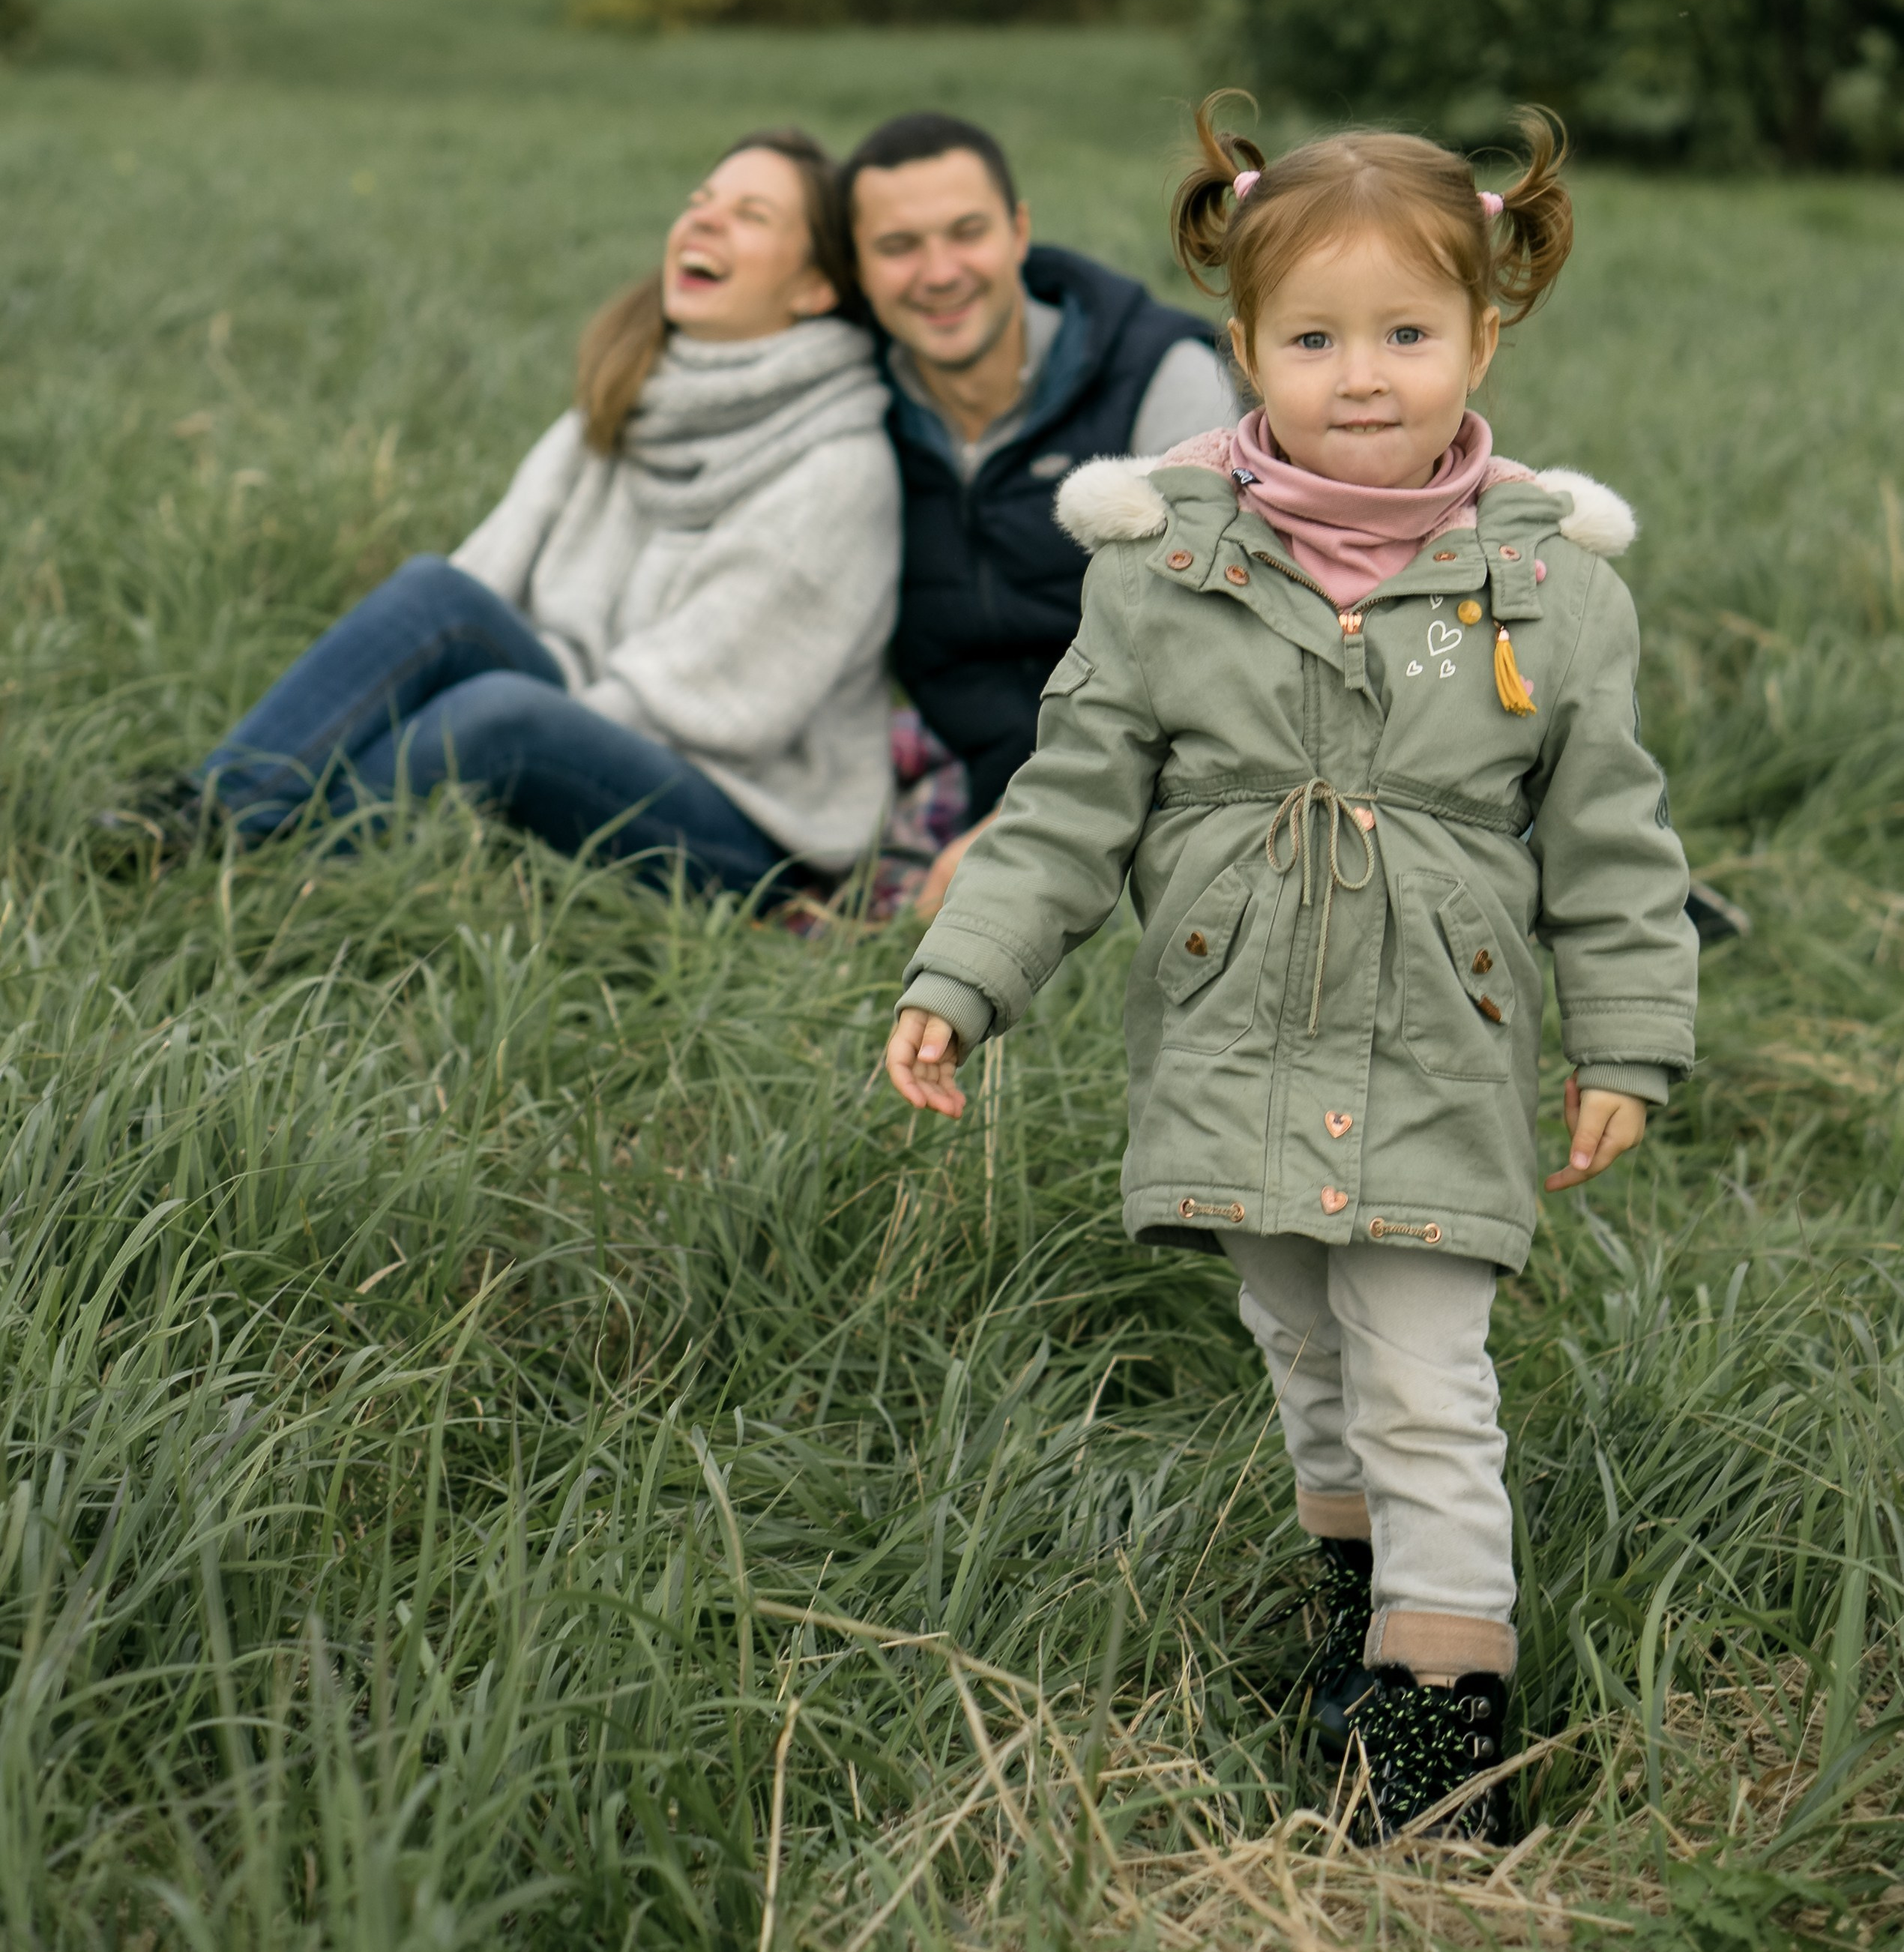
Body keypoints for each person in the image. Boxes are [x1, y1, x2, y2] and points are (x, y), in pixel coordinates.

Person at [885, 100, 1699, 1840]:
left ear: (1482, 334)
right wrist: (962, 977)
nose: (1357, 375)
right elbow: (1063, 812)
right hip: (1228, 1040)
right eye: (1310, 337)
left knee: (1420, 1388)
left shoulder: (1547, 590)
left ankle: (1433, 1745)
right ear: (1237, 347)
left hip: (1434, 1051)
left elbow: (1612, 842)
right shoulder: (1163, 571)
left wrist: (1622, 1039)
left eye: (1404, 333)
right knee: (1304, 1355)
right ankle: (1352, 1621)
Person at [148, 131, 900, 898]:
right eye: (699, 203)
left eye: (751, 215)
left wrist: (518, 710)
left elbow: (714, 705)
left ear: (815, 288)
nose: (703, 223)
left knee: (498, 715)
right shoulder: (631, 396)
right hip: (589, 715)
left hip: (747, 826)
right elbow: (477, 589)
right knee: (430, 593)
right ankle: (198, 821)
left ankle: (269, 888)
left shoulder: (840, 470)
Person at [843, 110, 1235, 912]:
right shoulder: (851, 406)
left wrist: (1019, 827)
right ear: (855, 266)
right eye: (897, 247)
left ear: (1018, 231)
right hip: (963, 754)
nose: (938, 271)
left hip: (1151, 776)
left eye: (966, 232)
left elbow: (1206, 661)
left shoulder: (1161, 379)